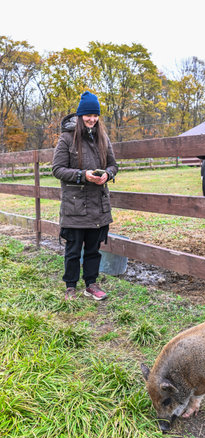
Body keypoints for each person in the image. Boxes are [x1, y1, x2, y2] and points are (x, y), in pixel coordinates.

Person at [52, 91, 118, 301]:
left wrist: (107, 174)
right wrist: (82, 176)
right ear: (80, 116)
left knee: (93, 249)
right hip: (75, 206)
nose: (92, 119)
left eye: (95, 115)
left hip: (98, 204)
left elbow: (113, 165)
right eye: (88, 115)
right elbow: (57, 169)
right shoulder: (66, 138)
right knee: (73, 249)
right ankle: (70, 286)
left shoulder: (103, 138)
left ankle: (91, 284)